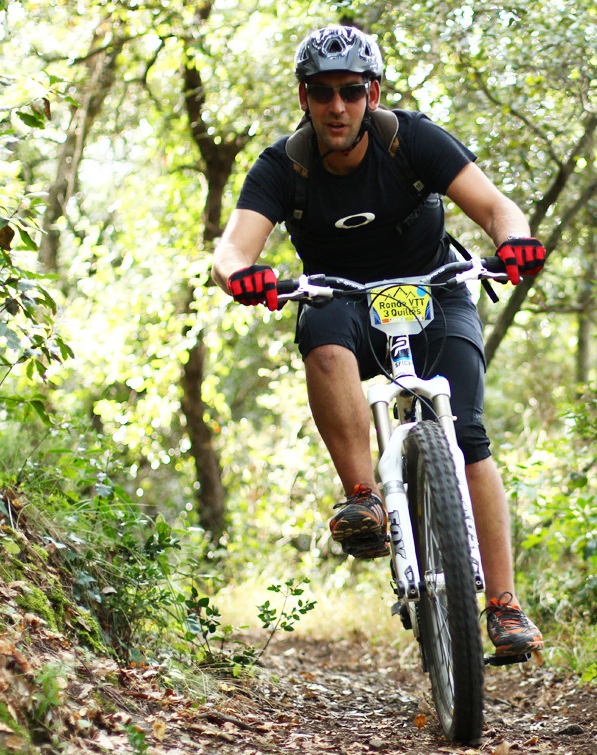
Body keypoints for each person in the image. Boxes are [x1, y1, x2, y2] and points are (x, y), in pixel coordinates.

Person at [211, 25, 544, 657]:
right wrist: (241, 277)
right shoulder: (285, 166)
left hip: (436, 289)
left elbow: (498, 207)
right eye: (322, 93)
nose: (337, 106)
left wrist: (513, 243)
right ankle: (364, 499)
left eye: (351, 92)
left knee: (468, 435)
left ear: (373, 93)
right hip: (342, 300)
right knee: (322, 337)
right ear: (304, 97)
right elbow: (231, 250)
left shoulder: (411, 141)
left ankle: (503, 605)